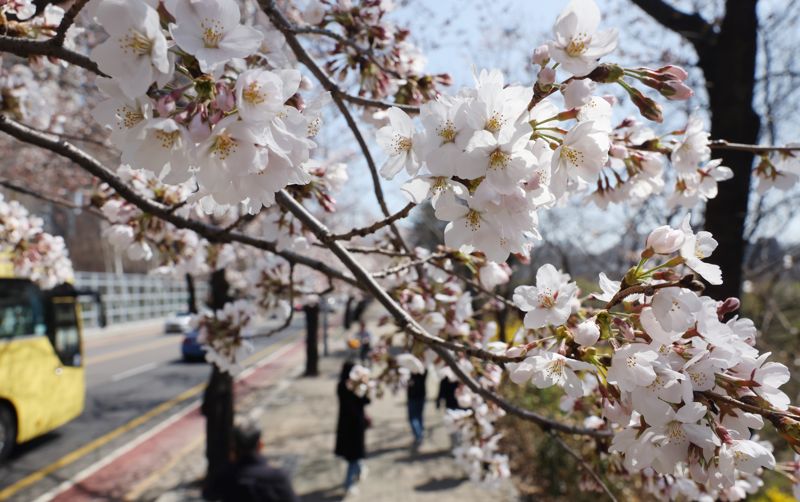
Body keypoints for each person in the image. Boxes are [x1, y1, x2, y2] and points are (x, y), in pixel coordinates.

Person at [207, 420, 298, 502]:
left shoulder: (226, 478)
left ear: (233, 448)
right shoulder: (278, 477)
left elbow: (209, 494)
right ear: (260, 445)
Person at [335, 360, 370, 495]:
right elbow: (362, 401)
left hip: (353, 425)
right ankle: (349, 482)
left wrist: (363, 386)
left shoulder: (355, 386)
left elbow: (366, 401)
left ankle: (359, 470)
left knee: (355, 455)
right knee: (353, 455)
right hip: (351, 425)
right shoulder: (343, 386)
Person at [406, 370, 427, 451]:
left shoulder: (413, 372)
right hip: (421, 395)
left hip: (413, 397)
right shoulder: (423, 370)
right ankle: (420, 434)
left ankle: (418, 435)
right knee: (419, 416)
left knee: (413, 418)